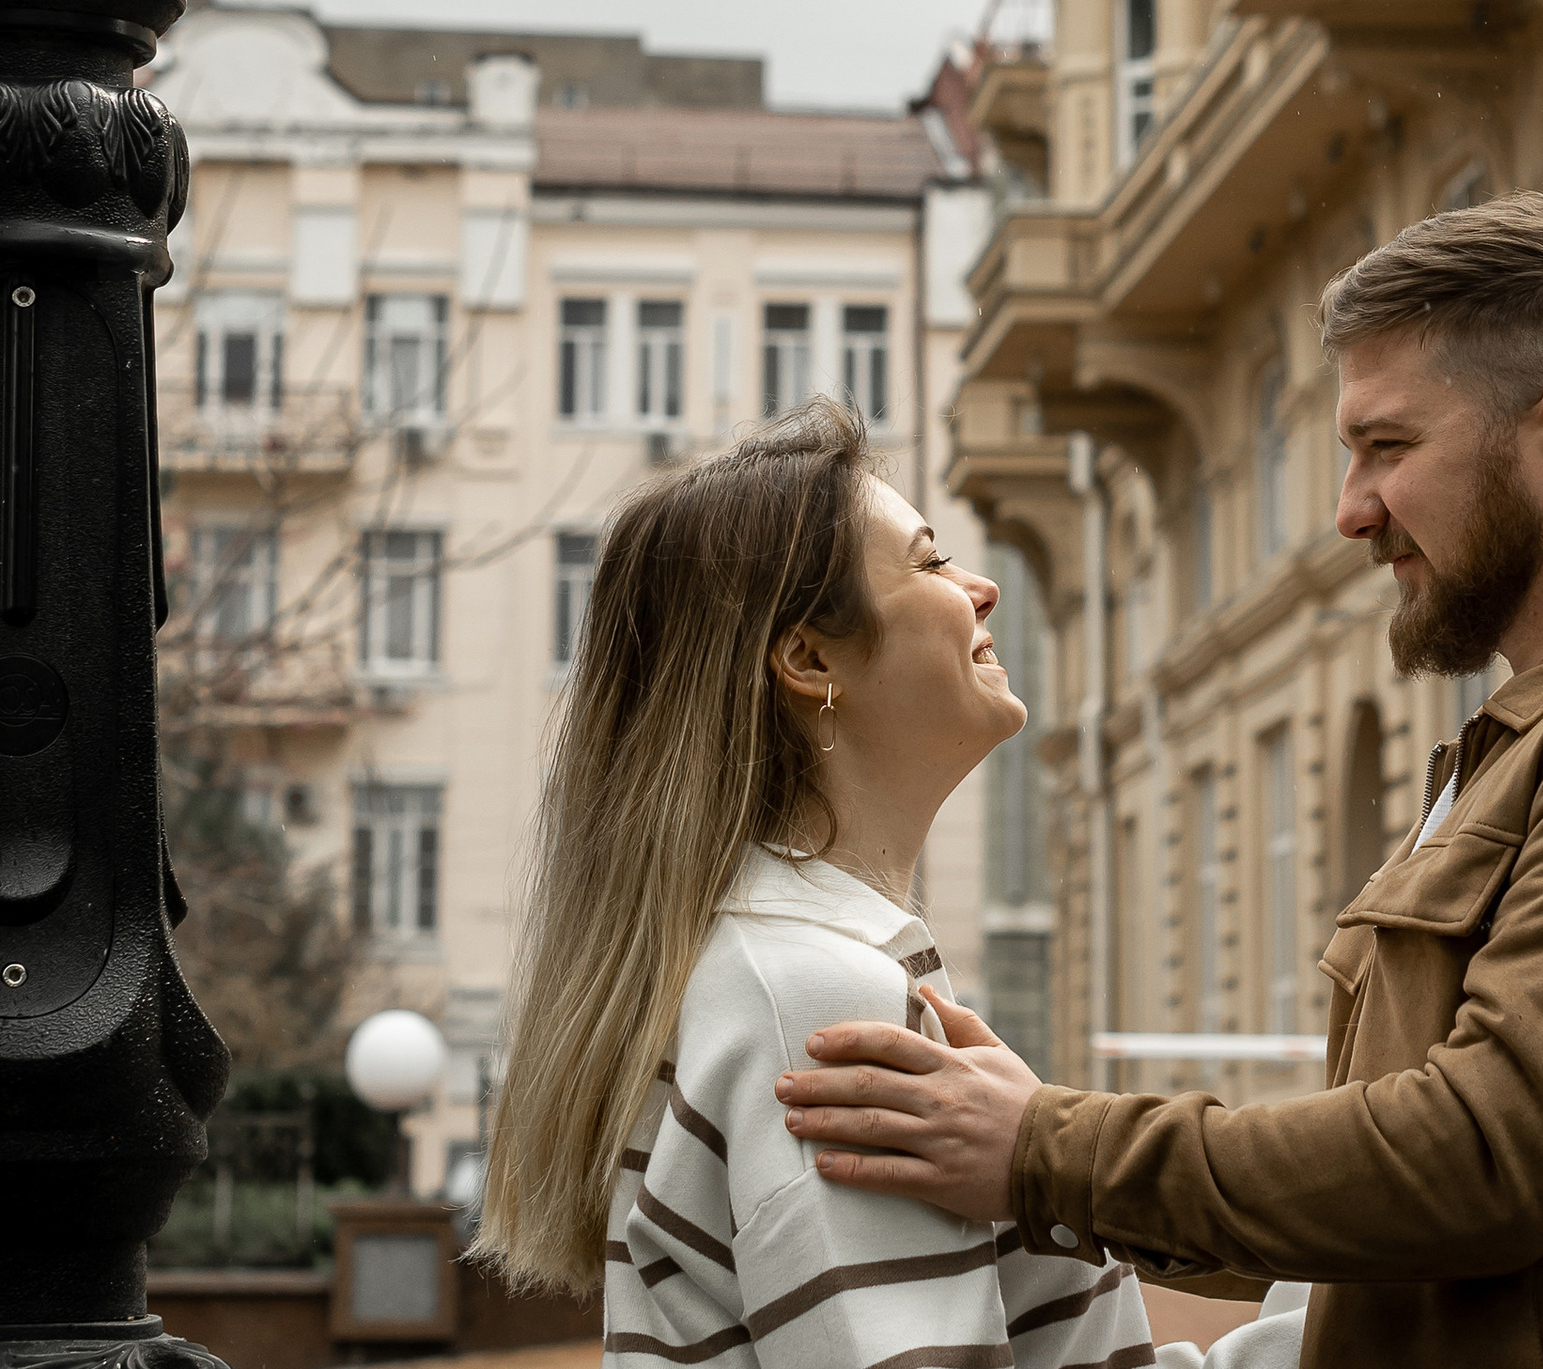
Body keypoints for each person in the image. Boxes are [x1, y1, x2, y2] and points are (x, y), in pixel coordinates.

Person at [777, 194, 1543, 1367]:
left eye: (1386, 446)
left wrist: (1047, 1147)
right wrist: (1037, 1145)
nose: (1352, 510)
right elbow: (1376, 1196)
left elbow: (1478, 1162)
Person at [473, 398, 1191, 1368]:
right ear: (809, 659)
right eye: (932, 560)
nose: (979, 588)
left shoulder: (791, 973)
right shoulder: (811, 1003)